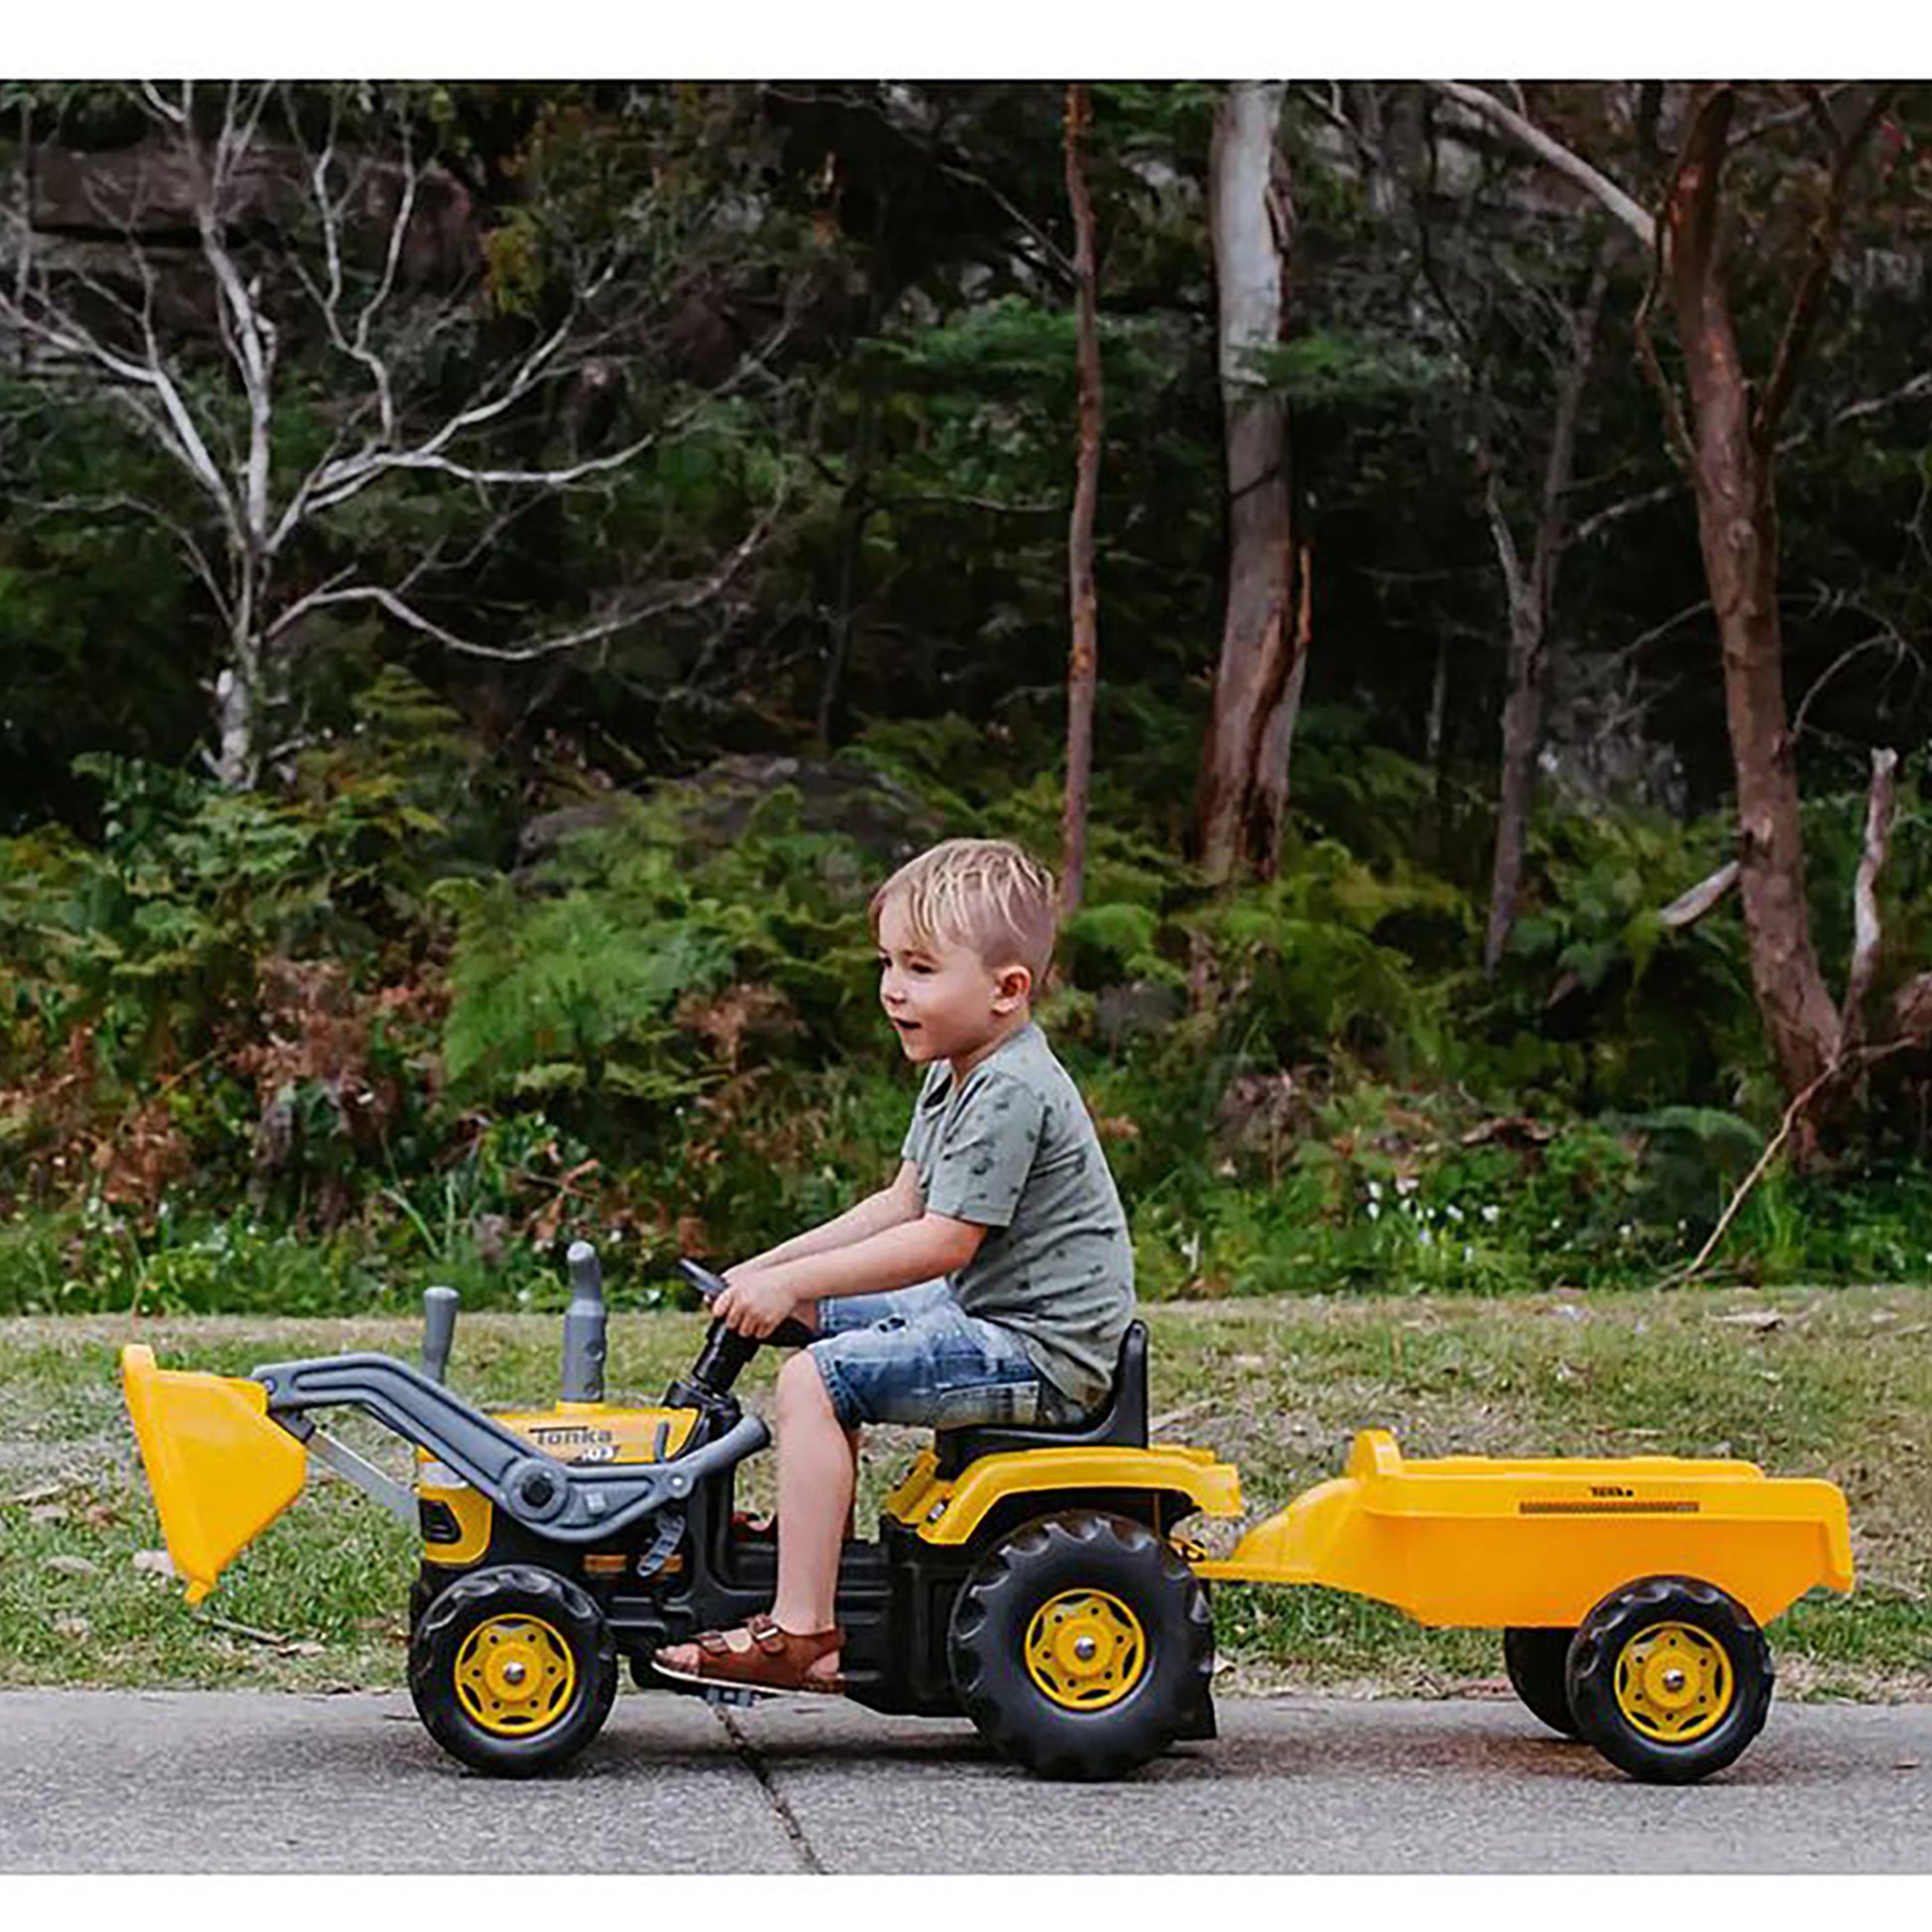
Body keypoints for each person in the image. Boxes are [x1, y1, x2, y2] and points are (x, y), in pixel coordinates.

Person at [652, 837, 1136, 1695]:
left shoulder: (1013, 1087)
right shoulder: (957, 1072)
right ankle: (786, 1540)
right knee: (808, 1320)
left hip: (1039, 1349)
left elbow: (944, 1241)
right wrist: (764, 1273)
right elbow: (898, 1205)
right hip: (986, 1311)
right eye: (886, 962)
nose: (891, 989)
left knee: (813, 1381)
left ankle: (805, 1631)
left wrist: (795, 1284)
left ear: (1007, 988)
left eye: (918, 967)